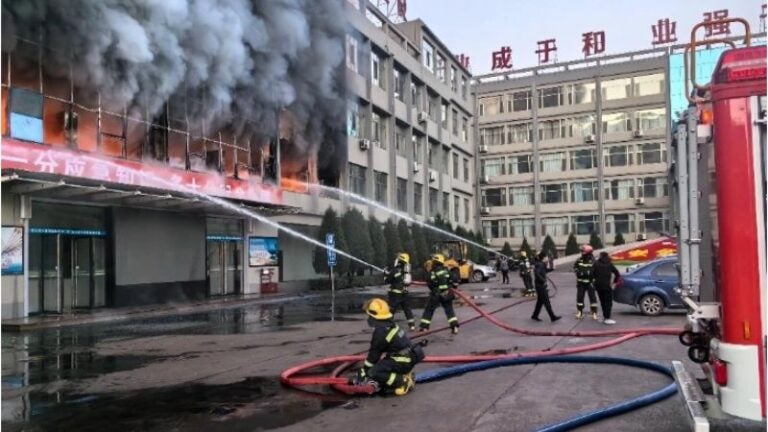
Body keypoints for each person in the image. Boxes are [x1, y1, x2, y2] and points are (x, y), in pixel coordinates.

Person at [352, 298, 423, 396]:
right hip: (408, 358)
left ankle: (402, 381)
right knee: (381, 367)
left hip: (402, 361)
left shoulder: (381, 332)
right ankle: (404, 375)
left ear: (372, 316)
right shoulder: (391, 324)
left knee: (374, 373)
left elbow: (374, 356)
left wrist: (365, 371)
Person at [419, 254, 460, 334]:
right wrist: (453, 287)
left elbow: (429, 282)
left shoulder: (432, 272)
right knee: (449, 310)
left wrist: (434, 289)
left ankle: (424, 327)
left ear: (434, 262)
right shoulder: (447, 270)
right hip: (447, 293)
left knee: (429, 310)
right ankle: (454, 327)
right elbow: (455, 279)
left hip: (436, 295)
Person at [385, 252, 415, 331]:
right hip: (404, 293)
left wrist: (385, 273)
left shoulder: (394, 270)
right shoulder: (407, 270)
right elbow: (408, 283)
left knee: (391, 310)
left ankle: (388, 325)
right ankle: (412, 325)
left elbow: (387, 281)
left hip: (395, 294)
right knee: (407, 309)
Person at [592, 252, 622, 325]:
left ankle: (605, 317)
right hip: (607, 286)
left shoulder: (596, 264)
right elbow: (617, 273)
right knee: (608, 302)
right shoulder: (609, 264)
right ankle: (607, 318)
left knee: (602, 302)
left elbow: (591, 274)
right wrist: (614, 282)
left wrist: (594, 283)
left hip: (598, 286)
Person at [531, 251, 561, 323]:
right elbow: (537, 273)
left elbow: (545, 271)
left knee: (540, 302)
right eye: (546, 257)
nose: (547, 258)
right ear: (543, 258)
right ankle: (552, 317)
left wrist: (552, 268)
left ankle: (535, 315)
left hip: (540, 285)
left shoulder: (541, 264)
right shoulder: (540, 265)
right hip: (541, 286)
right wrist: (543, 280)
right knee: (546, 302)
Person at [573, 245, 598, 320]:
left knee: (592, 298)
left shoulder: (593, 261)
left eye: (583, 251)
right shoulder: (579, 260)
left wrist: (593, 278)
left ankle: (594, 313)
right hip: (581, 283)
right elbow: (575, 267)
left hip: (590, 283)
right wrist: (578, 272)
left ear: (588, 252)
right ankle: (580, 312)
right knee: (580, 297)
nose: (581, 253)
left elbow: (596, 271)